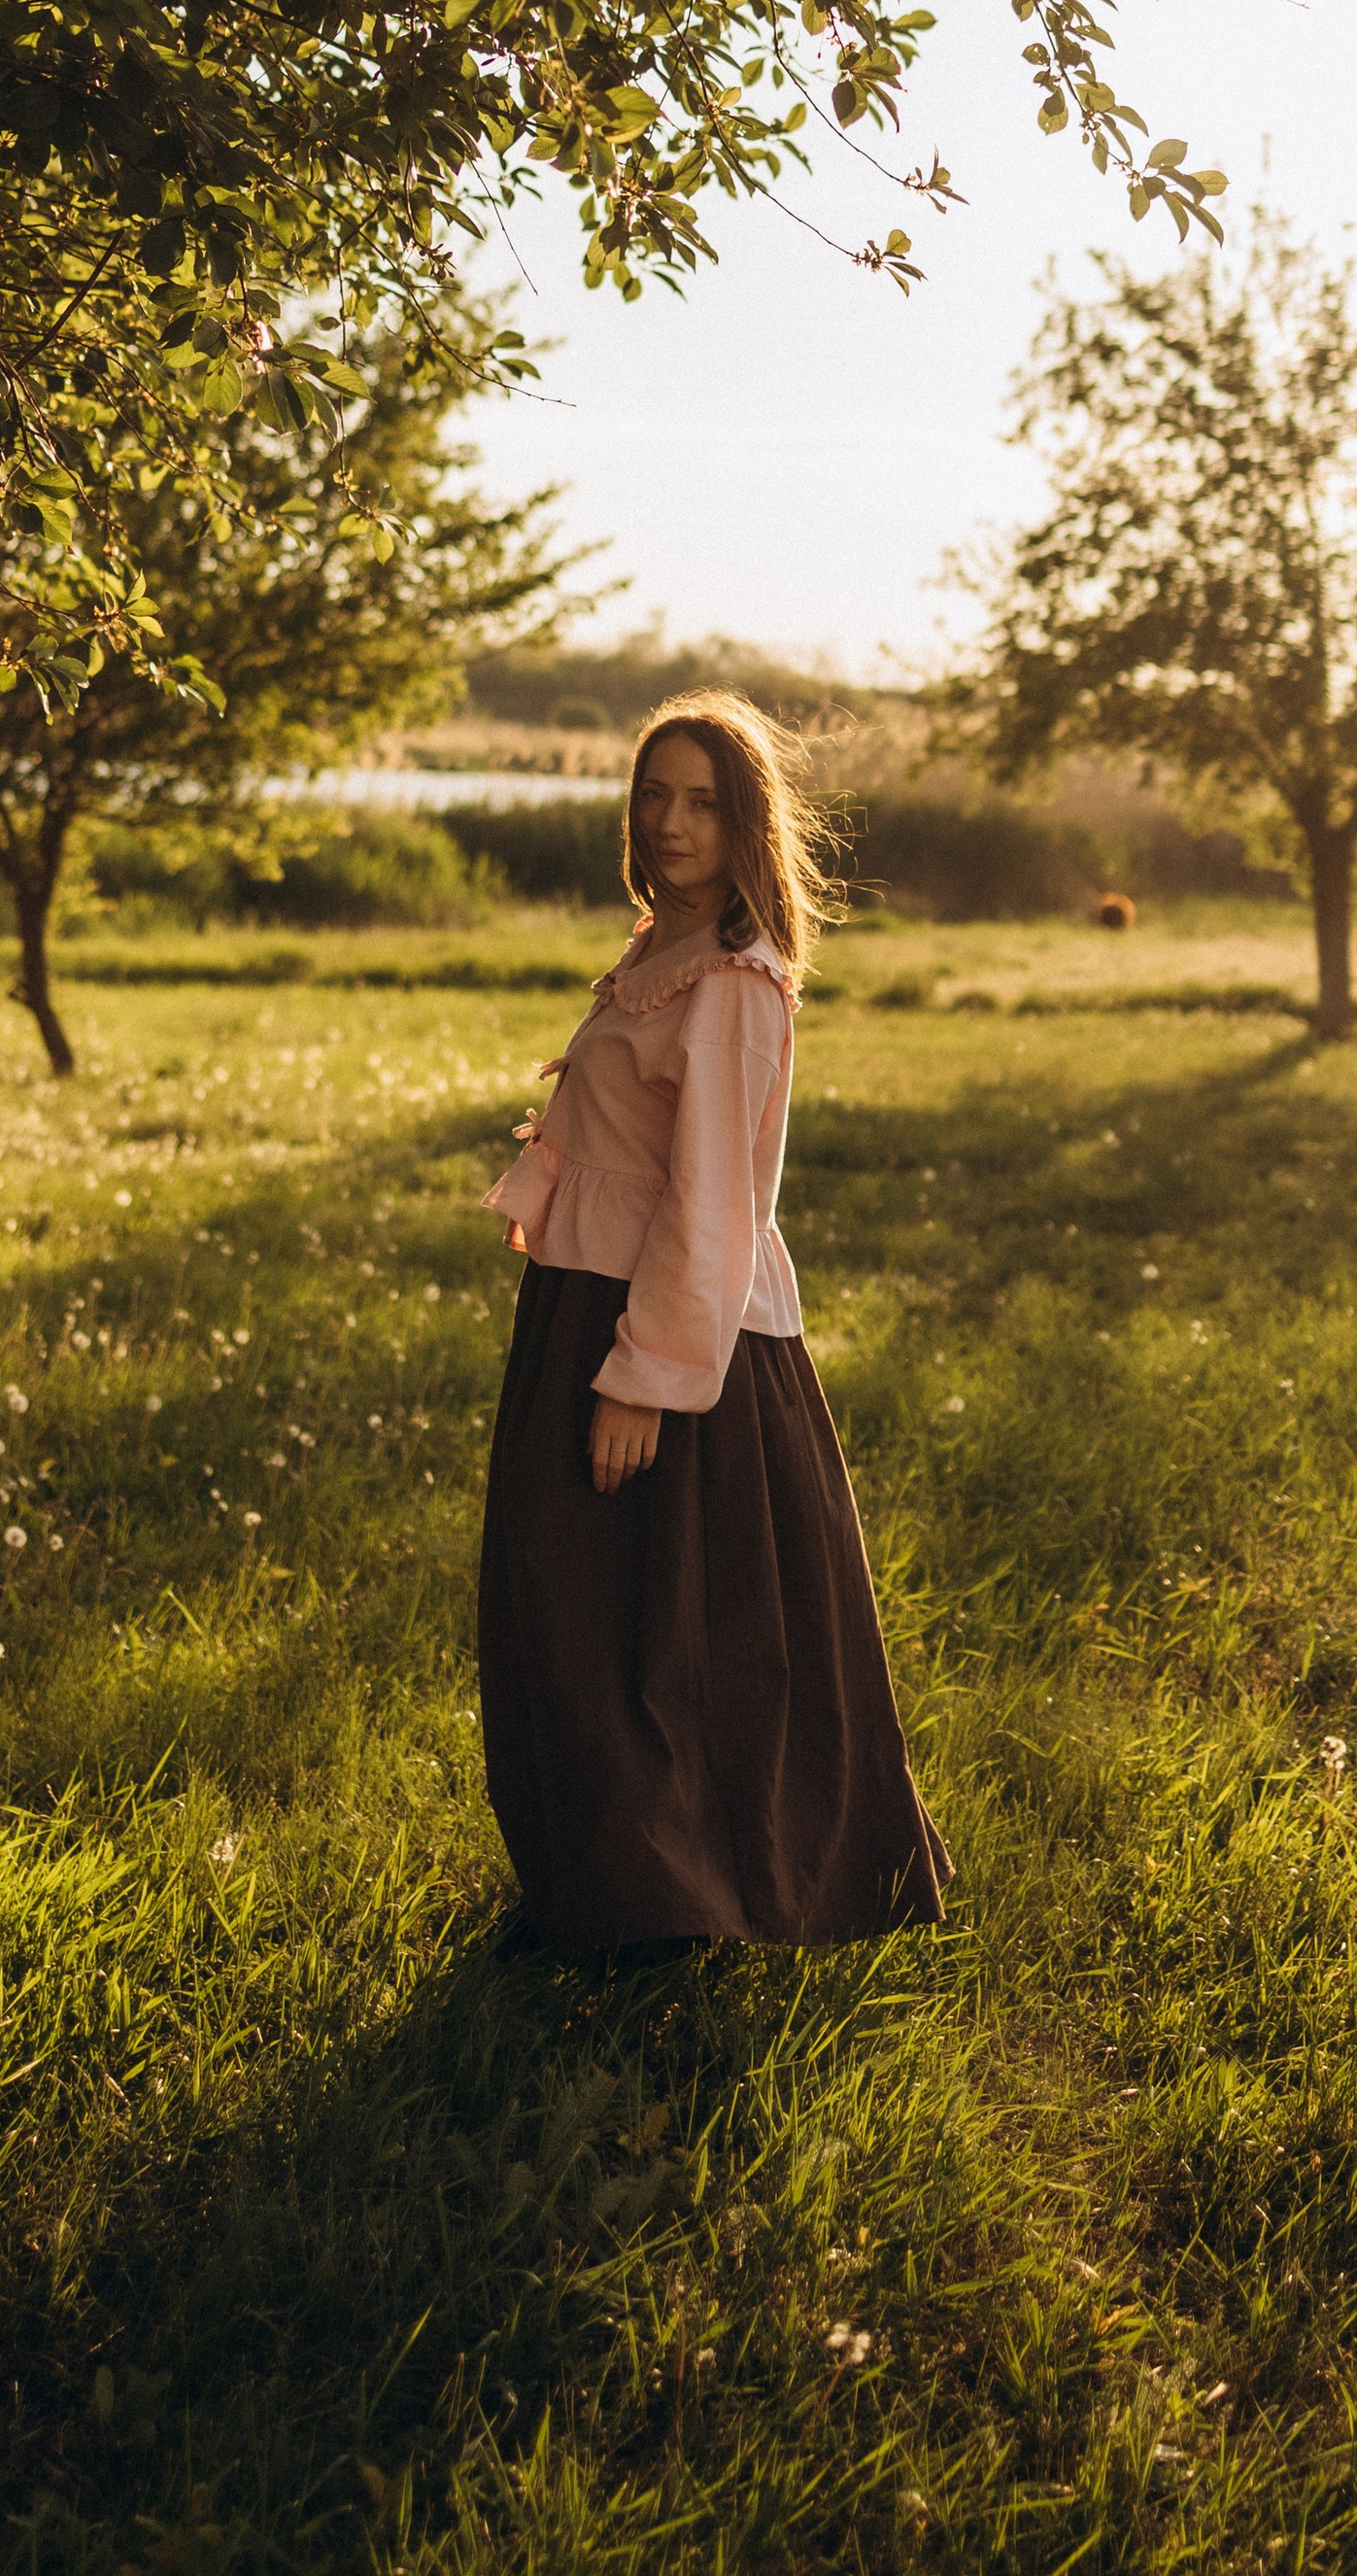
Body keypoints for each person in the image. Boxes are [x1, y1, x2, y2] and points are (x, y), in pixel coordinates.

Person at [476, 688, 952, 1954]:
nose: (671, 821)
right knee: (569, 1610)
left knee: (671, 1638)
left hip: (672, 1341)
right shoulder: (653, 951)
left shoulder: (735, 985)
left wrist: (643, 1376)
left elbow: (714, 1206)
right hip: (582, 1306)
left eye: (702, 800)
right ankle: (599, 1882)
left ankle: (680, 1904)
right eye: (653, 794)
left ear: (746, 821)